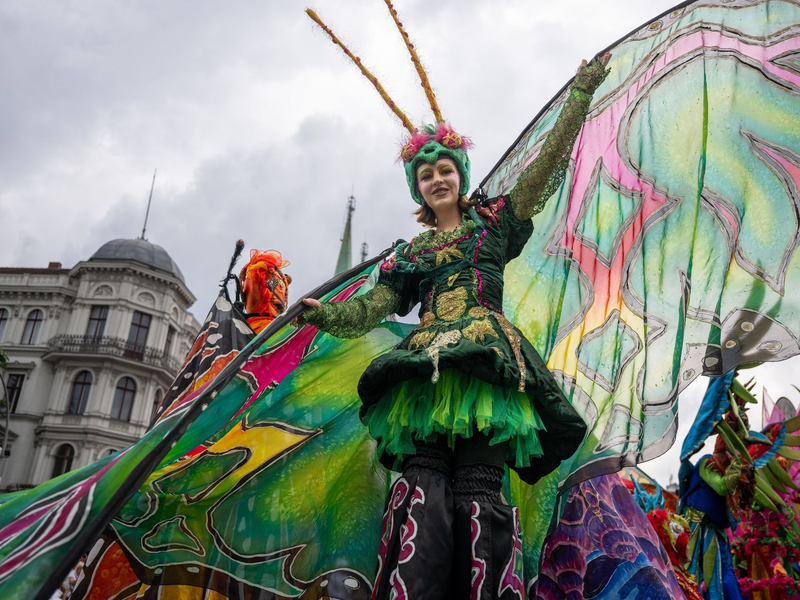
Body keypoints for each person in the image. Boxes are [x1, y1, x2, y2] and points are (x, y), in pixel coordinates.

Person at [298, 12, 611, 593]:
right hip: (422, 375)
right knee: (423, 482)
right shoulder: (411, 252)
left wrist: (580, 95)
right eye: (426, 176)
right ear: (417, 189)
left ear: (460, 177)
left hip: (486, 369)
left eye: (446, 170)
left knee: (477, 487)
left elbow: (544, 166)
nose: (437, 180)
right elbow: (374, 306)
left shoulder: (493, 227)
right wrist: (327, 316)